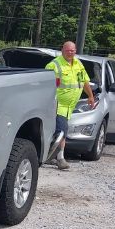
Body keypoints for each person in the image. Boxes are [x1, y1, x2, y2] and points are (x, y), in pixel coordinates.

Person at [45, 41, 96, 170]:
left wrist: (90, 96)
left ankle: (49, 156)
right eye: (68, 50)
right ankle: (60, 159)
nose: (70, 53)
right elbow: (47, 86)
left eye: (72, 50)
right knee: (62, 131)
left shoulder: (78, 64)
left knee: (58, 131)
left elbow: (84, 81)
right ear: (62, 50)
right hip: (58, 104)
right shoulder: (54, 65)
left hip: (70, 106)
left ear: (75, 50)